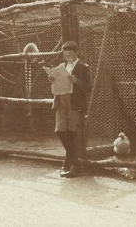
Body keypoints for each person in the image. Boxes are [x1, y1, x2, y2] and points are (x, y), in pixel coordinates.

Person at [49, 40, 92, 178]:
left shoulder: (83, 67)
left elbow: (88, 87)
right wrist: (52, 79)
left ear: (77, 53)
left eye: (70, 54)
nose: (68, 57)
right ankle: (75, 162)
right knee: (60, 131)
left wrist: (76, 81)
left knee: (71, 132)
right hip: (61, 101)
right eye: (65, 55)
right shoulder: (63, 67)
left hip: (74, 104)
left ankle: (71, 164)